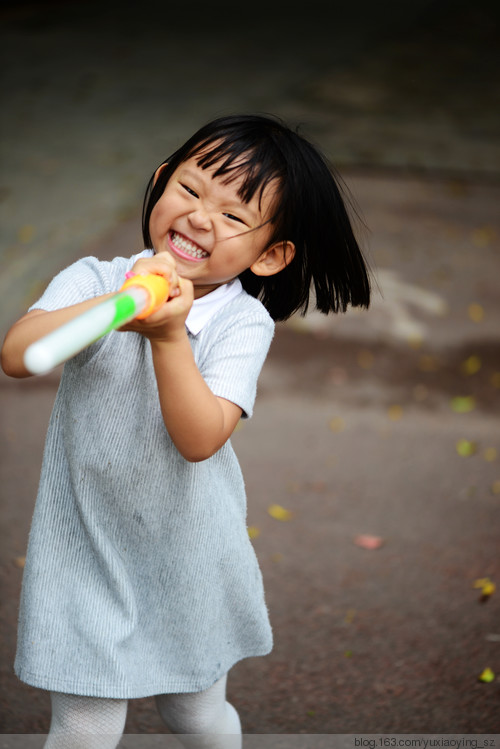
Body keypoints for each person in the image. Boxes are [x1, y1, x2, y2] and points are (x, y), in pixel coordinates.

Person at [1, 113, 371, 747]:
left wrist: (169, 334)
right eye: (192, 190)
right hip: (85, 548)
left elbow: (200, 438)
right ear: (158, 180)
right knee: (86, 727)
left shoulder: (242, 325)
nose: (201, 218)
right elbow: (19, 353)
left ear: (271, 254)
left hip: (188, 555)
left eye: (234, 216)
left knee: (193, 716)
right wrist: (121, 301)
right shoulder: (94, 280)